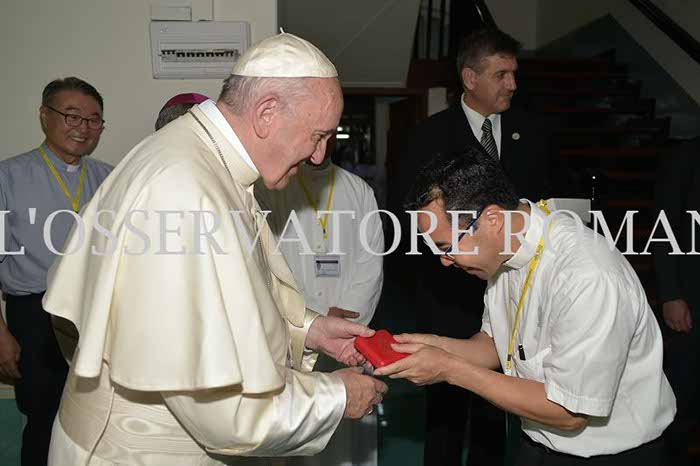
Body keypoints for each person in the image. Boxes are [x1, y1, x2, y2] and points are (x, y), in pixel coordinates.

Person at [41, 32, 388, 466]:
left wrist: (309, 329)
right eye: (317, 135)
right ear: (266, 113)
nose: (320, 156)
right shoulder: (184, 190)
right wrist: (336, 395)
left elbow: (233, 299)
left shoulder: (204, 160)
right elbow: (227, 413)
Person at [376, 147, 676, 465]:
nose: (444, 261)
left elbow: (569, 413)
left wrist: (449, 369)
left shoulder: (587, 275)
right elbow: (494, 345)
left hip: (611, 455)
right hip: (534, 442)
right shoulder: (504, 250)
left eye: (447, 246)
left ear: (492, 219)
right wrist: (433, 347)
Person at [391, 26, 558, 465]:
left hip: (513, 289)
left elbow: (544, 205)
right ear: (470, 78)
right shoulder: (428, 135)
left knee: (497, 405)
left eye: (514, 73)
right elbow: (408, 218)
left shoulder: (533, 131)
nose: (512, 84)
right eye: (501, 74)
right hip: (449, 294)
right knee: (445, 411)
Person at [0, 76, 112, 466]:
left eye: (93, 120)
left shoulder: (110, 178)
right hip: (35, 315)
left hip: (97, 313)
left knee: (99, 419)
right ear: (44, 115)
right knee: (45, 418)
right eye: (72, 115)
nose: (83, 128)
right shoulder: (8, 177)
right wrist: (1, 334)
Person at [257, 135, 384, 466]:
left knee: (347, 432)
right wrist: (308, 319)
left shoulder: (358, 190)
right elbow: (265, 263)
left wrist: (348, 312)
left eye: (328, 136)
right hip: (291, 325)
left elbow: (371, 262)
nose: (320, 147)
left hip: (347, 327)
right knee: (293, 426)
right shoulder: (272, 186)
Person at [653, 136, 700, 465]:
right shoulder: (687, 155)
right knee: (684, 390)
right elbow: (665, 225)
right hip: (692, 298)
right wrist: (670, 293)